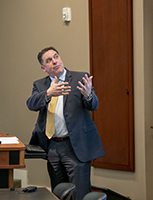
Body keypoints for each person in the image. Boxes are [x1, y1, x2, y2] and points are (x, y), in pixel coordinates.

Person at [26, 46, 105, 200]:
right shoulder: (40, 85)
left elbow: (93, 105)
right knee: (59, 192)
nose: (55, 61)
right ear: (44, 68)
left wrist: (88, 95)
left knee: (79, 193)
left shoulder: (79, 77)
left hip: (75, 145)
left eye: (56, 56)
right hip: (52, 146)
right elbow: (31, 104)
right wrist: (48, 93)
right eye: (49, 60)